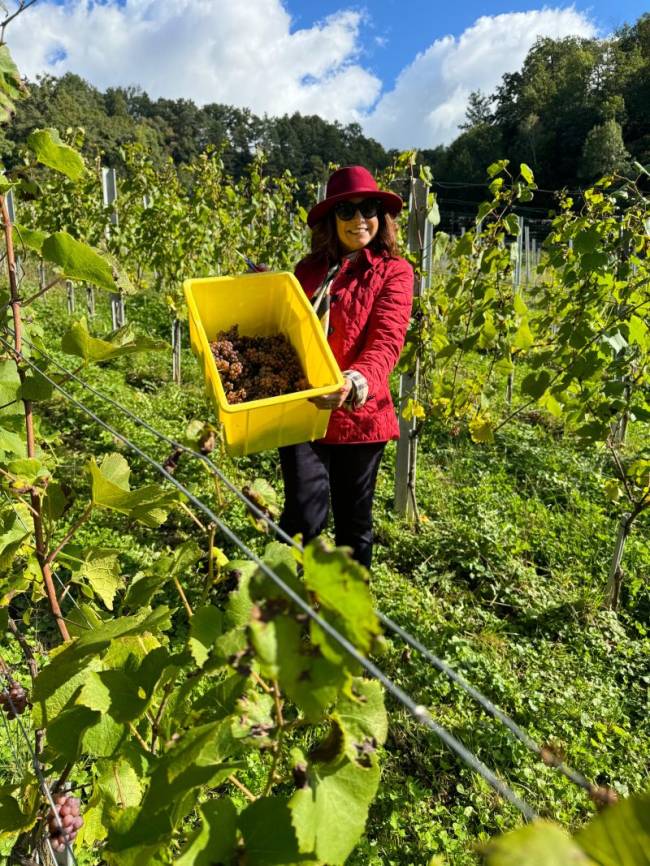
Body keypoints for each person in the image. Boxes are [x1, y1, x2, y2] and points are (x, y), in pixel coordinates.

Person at [278, 165, 414, 569]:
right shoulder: (307, 270)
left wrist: (354, 382)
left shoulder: (394, 272)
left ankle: (347, 619)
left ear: (381, 216)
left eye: (368, 208)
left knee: (353, 527)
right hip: (305, 409)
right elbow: (289, 329)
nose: (359, 220)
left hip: (360, 417)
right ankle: (291, 608)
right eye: (346, 211)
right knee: (302, 518)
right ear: (331, 220)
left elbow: (386, 342)